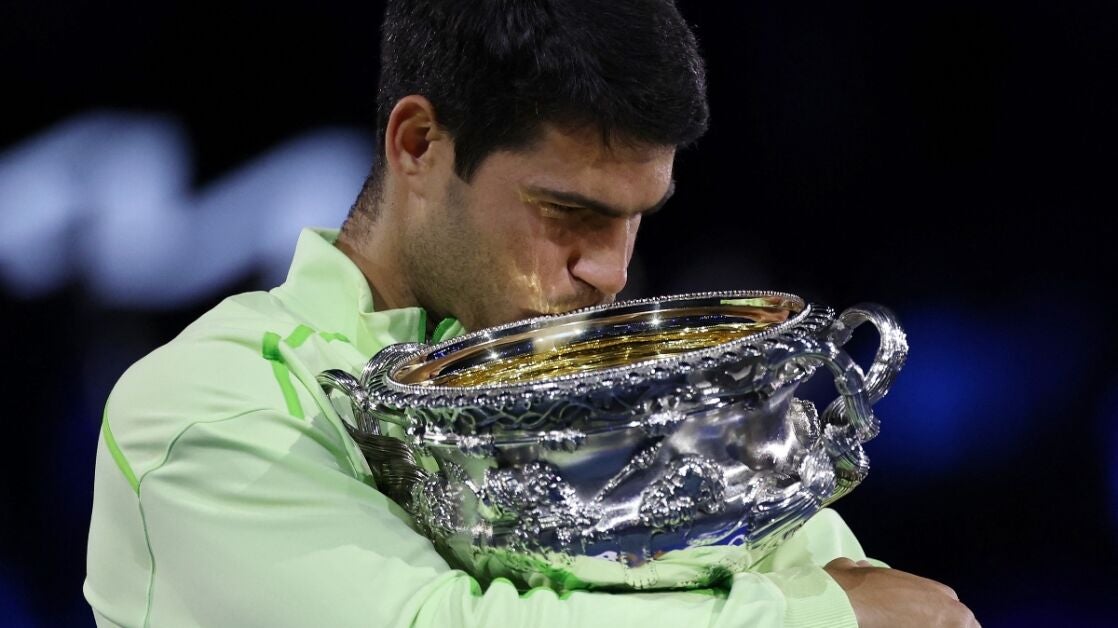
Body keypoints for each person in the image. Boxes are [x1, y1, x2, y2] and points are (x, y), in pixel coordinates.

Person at [85, 1, 977, 626]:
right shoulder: (204, 404)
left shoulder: (632, 390)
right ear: (419, 145)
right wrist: (807, 619)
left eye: (636, 219)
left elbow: (871, 595)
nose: (611, 273)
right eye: (568, 212)